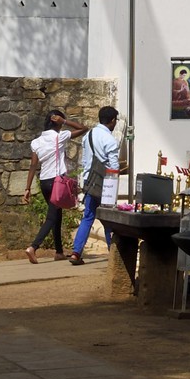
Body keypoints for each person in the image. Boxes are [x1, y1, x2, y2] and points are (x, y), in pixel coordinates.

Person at [22, 109, 86, 263]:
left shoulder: (36, 142)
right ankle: (33, 247)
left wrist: (27, 188)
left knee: (57, 215)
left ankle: (58, 251)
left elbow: (33, 165)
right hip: (57, 182)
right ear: (57, 122)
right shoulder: (60, 137)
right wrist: (64, 121)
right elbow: (83, 128)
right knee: (52, 217)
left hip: (44, 182)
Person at [69, 106, 123, 266]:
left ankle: (76, 252)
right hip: (105, 185)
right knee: (108, 220)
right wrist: (113, 188)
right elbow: (114, 167)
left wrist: (84, 181)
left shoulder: (89, 135)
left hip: (89, 181)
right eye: (115, 120)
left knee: (88, 217)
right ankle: (114, 255)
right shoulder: (110, 140)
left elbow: (85, 161)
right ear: (112, 120)